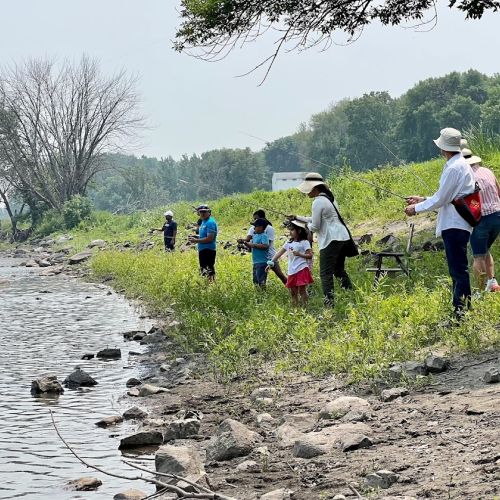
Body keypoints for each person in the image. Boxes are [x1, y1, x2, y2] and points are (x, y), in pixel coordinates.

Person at [405, 127, 476, 318]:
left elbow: (441, 199)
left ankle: (460, 312)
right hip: (457, 223)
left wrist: (416, 209)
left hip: (454, 224)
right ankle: (462, 309)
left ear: (443, 148)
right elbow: (446, 197)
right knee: (458, 269)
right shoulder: (459, 164)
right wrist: (421, 199)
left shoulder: (454, 167)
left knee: (458, 270)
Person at [292, 173, 353, 307]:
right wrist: (297, 217)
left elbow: (314, 226)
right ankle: (350, 293)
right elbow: (317, 219)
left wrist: (305, 225)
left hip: (330, 239)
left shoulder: (317, 201)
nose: (307, 192)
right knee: (338, 270)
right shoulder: (330, 198)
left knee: (325, 273)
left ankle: (329, 304)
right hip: (342, 237)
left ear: (315, 188)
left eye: (308, 189)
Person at [462, 148, 500, 292]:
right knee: (485, 249)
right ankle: (492, 282)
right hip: (497, 215)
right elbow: (498, 191)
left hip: (481, 219)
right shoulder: (487, 171)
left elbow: (466, 201)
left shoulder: (467, 177)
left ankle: (480, 290)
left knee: (478, 255)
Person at [267, 220, 313, 307]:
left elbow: (310, 255)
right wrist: (270, 263)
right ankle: (295, 309)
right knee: (293, 292)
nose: (290, 232)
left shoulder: (304, 242)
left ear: (299, 231)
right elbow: (279, 253)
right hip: (292, 270)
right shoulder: (289, 243)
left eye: (292, 230)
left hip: (302, 269)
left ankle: (305, 307)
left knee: (302, 290)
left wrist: (300, 254)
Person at [242, 209, 287, 285]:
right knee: (258, 279)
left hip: (270, 256)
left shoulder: (269, 229)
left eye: (256, 218)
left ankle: (292, 287)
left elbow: (266, 245)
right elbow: (247, 239)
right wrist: (242, 241)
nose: (255, 221)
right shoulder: (253, 228)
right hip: (259, 259)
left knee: (280, 275)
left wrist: (251, 245)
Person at [188, 205, 218, 281]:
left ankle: (211, 285)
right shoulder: (203, 222)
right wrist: (196, 237)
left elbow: (210, 238)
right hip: (202, 249)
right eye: (201, 212)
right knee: (203, 268)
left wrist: (196, 240)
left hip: (208, 249)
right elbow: (203, 236)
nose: (202, 213)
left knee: (209, 268)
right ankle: (206, 285)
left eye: (204, 212)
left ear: (209, 212)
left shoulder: (210, 222)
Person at [242, 218, 270, 288]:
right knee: (255, 280)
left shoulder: (264, 235)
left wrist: (253, 245)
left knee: (261, 280)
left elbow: (265, 246)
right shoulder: (255, 236)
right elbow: (251, 246)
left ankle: (263, 294)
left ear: (261, 227)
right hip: (255, 262)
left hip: (262, 262)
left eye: (255, 226)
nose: (254, 228)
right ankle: (258, 294)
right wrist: (245, 243)